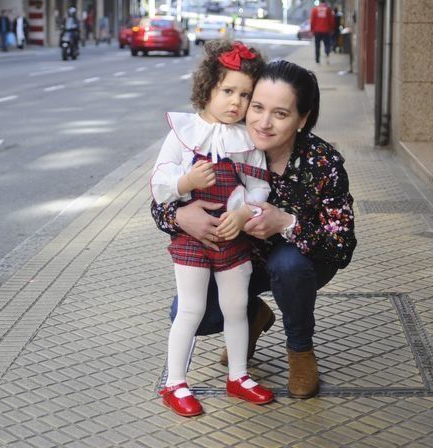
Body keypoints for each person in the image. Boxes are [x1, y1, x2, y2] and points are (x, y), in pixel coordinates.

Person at [152, 59, 357, 399]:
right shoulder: (223, 139)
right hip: (236, 259)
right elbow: (161, 200)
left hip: (298, 263)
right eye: (257, 107)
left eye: (281, 114)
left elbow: (341, 243)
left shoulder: (322, 162)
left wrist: (287, 223)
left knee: (288, 265)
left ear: (302, 119)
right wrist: (181, 217)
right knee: (192, 314)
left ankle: (300, 349)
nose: (263, 122)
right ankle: (253, 314)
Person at [151, 40, 275, 417]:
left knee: (236, 306)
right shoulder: (183, 133)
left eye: (245, 95)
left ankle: (238, 376)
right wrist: (186, 182)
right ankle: (175, 383)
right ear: (207, 88)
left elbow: (260, 184)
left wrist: (245, 212)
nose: (236, 102)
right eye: (228, 91)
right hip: (192, 239)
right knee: (191, 308)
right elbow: (159, 184)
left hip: (233, 236)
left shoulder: (246, 140)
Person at [310, 0, 336, 64]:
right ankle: (327, 53)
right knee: (327, 44)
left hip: (317, 31)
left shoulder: (315, 9)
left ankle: (317, 59)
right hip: (326, 30)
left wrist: (312, 30)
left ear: (320, 1)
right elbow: (331, 20)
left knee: (317, 45)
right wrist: (332, 28)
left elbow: (312, 20)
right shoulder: (328, 9)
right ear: (325, 1)